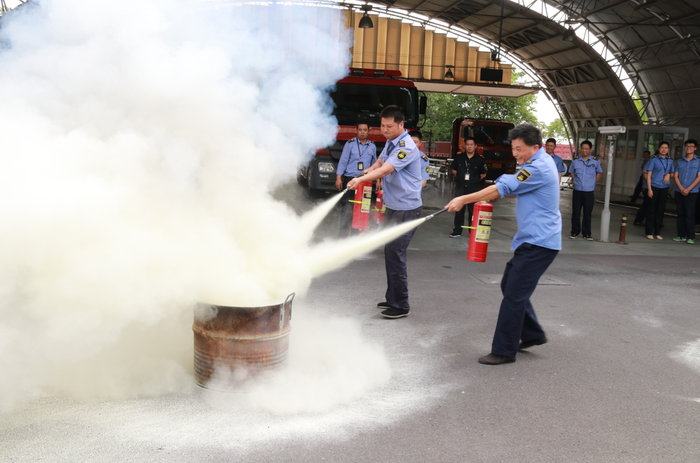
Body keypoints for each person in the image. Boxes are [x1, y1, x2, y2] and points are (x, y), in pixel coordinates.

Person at [446, 123, 561, 365]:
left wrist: (463, 199)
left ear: (535, 147)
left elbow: (502, 189)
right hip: (534, 240)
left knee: (514, 295)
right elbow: (511, 181)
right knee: (510, 285)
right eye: (513, 148)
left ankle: (504, 350)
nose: (515, 154)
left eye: (519, 149)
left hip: (540, 242)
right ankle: (532, 333)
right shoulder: (536, 163)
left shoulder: (538, 167)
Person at [347, 106, 422, 319]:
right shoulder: (391, 142)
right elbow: (381, 162)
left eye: (389, 126)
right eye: (382, 126)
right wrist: (368, 170)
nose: (384, 130)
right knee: (390, 252)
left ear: (401, 125)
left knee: (396, 254)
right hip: (394, 206)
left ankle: (401, 305)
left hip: (407, 209)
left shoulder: (406, 146)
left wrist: (361, 179)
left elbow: (388, 169)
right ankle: (393, 298)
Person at [335, 122, 377, 237]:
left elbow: (375, 164)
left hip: (365, 182)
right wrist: (339, 177)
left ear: (369, 130)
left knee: (362, 209)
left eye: (365, 130)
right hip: (350, 180)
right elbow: (343, 161)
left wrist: (378, 179)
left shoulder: (372, 146)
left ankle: (355, 236)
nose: (362, 132)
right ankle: (342, 237)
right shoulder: (350, 144)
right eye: (360, 130)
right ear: (357, 131)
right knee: (346, 208)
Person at [449, 137, 487, 238]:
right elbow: (454, 170)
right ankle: (457, 231)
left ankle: (472, 232)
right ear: (464, 146)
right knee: (459, 210)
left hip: (473, 189)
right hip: (460, 187)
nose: (469, 146)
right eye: (467, 144)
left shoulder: (480, 159)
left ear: (475, 146)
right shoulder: (459, 158)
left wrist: (473, 180)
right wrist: (461, 178)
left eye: (471, 144)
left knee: (473, 211)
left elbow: (483, 174)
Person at [569, 140, 602, 240]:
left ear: (590, 150)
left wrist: (593, 183)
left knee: (587, 212)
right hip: (578, 190)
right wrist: (577, 181)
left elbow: (599, 173)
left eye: (586, 149)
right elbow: (571, 172)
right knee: (576, 212)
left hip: (589, 191)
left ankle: (586, 233)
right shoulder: (575, 161)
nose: (584, 150)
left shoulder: (595, 161)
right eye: (582, 148)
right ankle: (574, 232)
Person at [644, 141, 675, 240]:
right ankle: (649, 232)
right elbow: (648, 175)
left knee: (660, 210)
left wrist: (669, 175)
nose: (664, 149)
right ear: (658, 149)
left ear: (668, 149)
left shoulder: (670, 161)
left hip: (664, 188)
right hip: (654, 186)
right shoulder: (653, 160)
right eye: (662, 147)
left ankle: (657, 232)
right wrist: (649, 189)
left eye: (666, 148)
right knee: (651, 209)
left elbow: (673, 173)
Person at [672, 139, 700, 244]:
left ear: (695, 148)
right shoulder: (680, 161)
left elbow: (699, 177)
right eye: (687, 146)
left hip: (692, 192)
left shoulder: (699, 161)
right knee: (680, 213)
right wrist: (681, 188)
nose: (689, 148)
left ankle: (691, 237)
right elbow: (676, 175)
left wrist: (688, 189)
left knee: (689, 213)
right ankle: (681, 235)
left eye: (691, 146)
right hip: (679, 191)